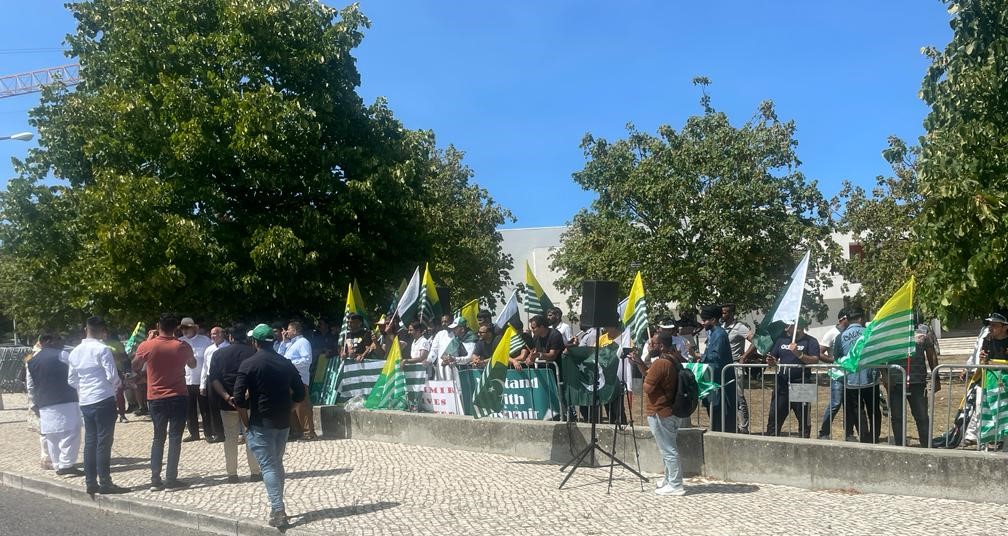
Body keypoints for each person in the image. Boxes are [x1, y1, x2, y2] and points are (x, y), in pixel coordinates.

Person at [233, 324, 306, 528]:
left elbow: (238, 398)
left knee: (268, 466)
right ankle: (277, 507)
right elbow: (300, 393)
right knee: (276, 463)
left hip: (261, 421)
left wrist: (245, 422)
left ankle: (278, 509)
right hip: (283, 422)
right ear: (272, 342)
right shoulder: (286, 363)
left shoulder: (249, 364)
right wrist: (290, 409)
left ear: (254, 342)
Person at [133, 313, 196, 491]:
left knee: (158, 438)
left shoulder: (147, 345)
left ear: (158, 326)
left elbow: (135, 365)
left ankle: (155, 479)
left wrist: (148, 341)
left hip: (156, 397)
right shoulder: (182, 346)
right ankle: (171, 479)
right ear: (176, 328)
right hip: (178, 395)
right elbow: (192, 364)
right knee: (175, 438)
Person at [67, 316, 127, 495]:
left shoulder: (75, 352)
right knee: (104, 442)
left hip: (86, 400)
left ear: (86, 330)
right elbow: (112, 375)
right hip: (103, 398)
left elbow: (71, 380)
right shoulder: (102, 349)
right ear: (102, 331)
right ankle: (106, 482)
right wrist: (116, 386)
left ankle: (90, 481)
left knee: (90, 442)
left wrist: (83, 389)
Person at [208, 325, 261, 483]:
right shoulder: (253, 353)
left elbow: (214, 379)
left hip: (227, 403)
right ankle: (255, 472)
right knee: (251, 436)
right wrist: (246, 394)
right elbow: (256, 378)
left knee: (230, 438)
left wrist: (226, 396)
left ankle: (232, 474)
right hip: (248, 402)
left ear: (230, 337)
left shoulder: (218, 354)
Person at [26, 332, 81, 477]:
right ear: (48, 340)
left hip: (45, 403)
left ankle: (57, 464)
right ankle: (66, 465)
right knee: (71, 433)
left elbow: (30, 386)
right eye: (58, 339)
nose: (62, 342)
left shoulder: (31, 361)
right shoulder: (62, 355)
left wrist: (34, 403)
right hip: (66, 399)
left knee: (52, 435)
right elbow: (75, 374)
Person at [643, 332, 686, 496]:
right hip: (672, 410)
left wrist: (648, 375)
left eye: (653, 343)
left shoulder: (660, 363)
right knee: (667, 449)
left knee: (668, 450)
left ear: (661, 346)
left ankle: (675, 484)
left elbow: (647, 388)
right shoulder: (673, 359)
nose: (650, 345)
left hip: (660, 411)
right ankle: (668, 480)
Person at [765, 321, 820, 438]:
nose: (786, 328)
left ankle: (804, 442)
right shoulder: (781, 340)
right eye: (786, 326)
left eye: (789, 325)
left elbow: (815, 360)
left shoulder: (811, 341)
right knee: (774, 418)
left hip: (802, 384)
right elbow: (774, 358)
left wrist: (799, 354)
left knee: (804, 419)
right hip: (782, 384)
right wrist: (771, 361)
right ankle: (771, 442)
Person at [840, 307, 880, 443]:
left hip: (851, 379)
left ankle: (864, 437)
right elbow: (877, 353)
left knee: (858, 410)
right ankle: (874, 437)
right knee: (873, 410)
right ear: (861, 318)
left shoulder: (841, 336)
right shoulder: (869, 333)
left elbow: (838, 356)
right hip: (870, 377)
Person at [699, 305, 737, 433]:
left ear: (713, 320)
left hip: (722, 383)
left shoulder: (720, 335)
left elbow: (715, 357)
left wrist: (699, 356)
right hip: (713, 381)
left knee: (723, 417)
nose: (702, 323)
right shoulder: (713, 334)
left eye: (705, 320)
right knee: (714, 415)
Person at [178, 317, 213, 442]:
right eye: (183, 328)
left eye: (187, 328)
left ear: (193, 328)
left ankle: (208, 433)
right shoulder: (179, 342)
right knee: (189, 409)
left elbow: (209, 360)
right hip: (186, 380)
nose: (185, 330)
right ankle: (193, 433)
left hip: (201, 380)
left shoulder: (205, 341)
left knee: (205, 408)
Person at [280, 320, 316, 441]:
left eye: (288, 329)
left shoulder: (303, 342)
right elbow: (280, 357)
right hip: (288, 379)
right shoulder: (290, 344)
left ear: (295, 331)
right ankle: (297, 431)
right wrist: (284, 342)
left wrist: (290, 364)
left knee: (302, 406)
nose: (286, 332)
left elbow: (307, 360)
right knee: (291, 406)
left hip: (300, 378)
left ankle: (308, 432)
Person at [817, 308, 849, 439]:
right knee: (835, 404)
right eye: (849, 317)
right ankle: (824, 433)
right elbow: (819, 353)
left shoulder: (851, 332)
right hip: (837, 375)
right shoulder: (831, 333)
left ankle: (849, 433)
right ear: (842, 318)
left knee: (850, 405)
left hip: (851, 375)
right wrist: (834, 361)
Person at [721, 303, 753, 434]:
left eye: (726, 312)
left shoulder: (740, 327)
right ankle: (730, 425)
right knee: (725, 397)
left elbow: (756, 341)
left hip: (735, 365)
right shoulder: (721, 327)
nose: (723, 315)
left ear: (732, 313)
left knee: (739, 397)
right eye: (722, 312)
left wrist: (744, 356)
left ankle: (743, 427)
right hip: (724, 366)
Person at [199, 326, 228, 443]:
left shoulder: (228, 347)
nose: (212, 336)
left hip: (224, 379)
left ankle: (230, 431)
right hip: (211, 379)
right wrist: (202, 384)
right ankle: (219, 433)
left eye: (215, 334)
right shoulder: (209, 349)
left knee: (226, 405)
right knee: (213, 407)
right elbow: (204, 367)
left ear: (221, 334)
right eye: (211, 334)